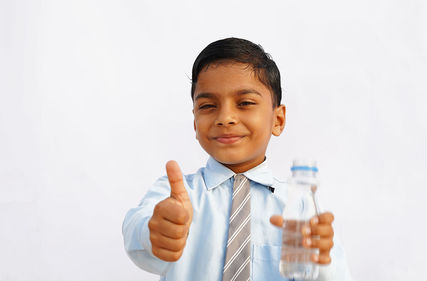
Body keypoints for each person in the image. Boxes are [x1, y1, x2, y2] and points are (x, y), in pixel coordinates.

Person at [122, 37, 353, 281]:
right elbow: (136, 227)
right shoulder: (176, 197)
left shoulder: (300, 206)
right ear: (194, 122)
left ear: (278, 119)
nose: (226, 117)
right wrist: (155, 232)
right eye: (208, 106)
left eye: (245, 103)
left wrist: (322, 263)